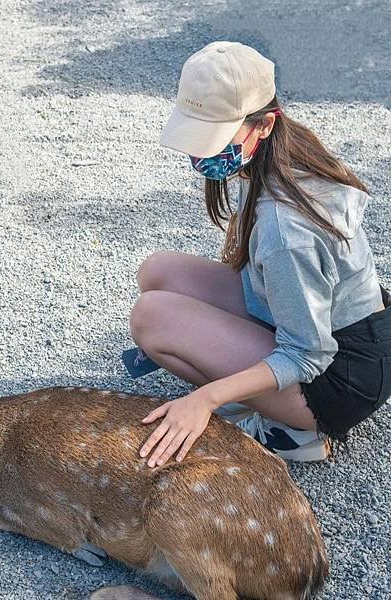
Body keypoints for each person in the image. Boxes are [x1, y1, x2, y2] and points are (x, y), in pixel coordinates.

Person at [127, 40, 391, 466]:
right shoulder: (279, 153)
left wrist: (205, 399)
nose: (200, 152)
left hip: (339, 380)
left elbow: (309, 353)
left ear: (264, 124)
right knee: (157, 273)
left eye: (212, 136)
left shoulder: (286, 229)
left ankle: (290, 431)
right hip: (342, 333)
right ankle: (257, 395)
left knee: (151, 318)